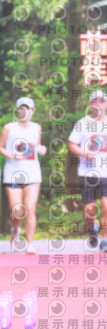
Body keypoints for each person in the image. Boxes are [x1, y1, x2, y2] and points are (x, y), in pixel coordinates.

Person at [68, 90, 107, 253]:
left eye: (102, 101)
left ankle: (105, 240)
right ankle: (92, 229)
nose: (99, 104)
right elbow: (72, 144)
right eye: (95, 101)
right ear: (90, 104)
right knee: (90, 209)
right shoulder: (82, 123)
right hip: (87, 173)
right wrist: (84, 153)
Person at [0, 97, 46, 254]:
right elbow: (0, 147)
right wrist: (12, 155)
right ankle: (15, 230)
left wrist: (41, 149)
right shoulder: (9, 128)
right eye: (22, 108)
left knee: (30, 210)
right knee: (18, 211)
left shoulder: (36, 128)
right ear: (18, 110)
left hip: (33, 174)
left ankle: (29, 243)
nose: (25, 111)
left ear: (33, 111)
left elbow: (37, 145)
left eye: (28, 108)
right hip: (12, 174)